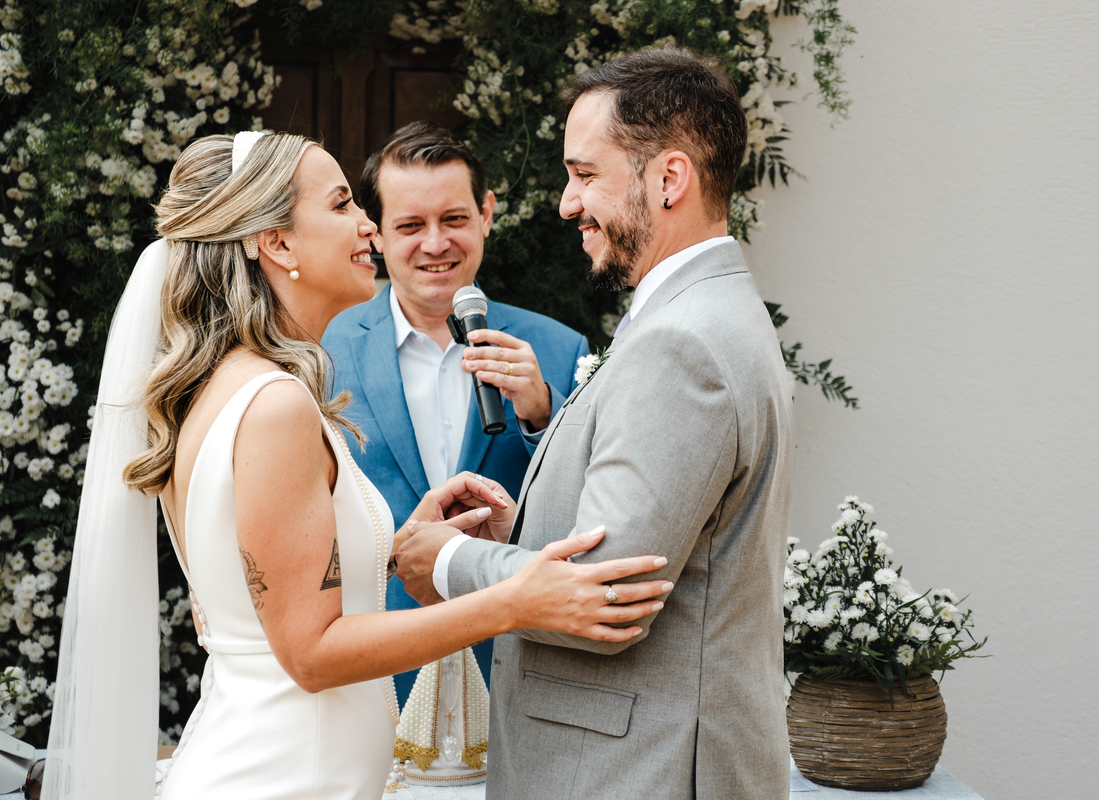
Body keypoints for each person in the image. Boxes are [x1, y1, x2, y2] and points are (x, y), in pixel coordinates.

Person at [43, 131, 674, 800]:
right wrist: (511, 600)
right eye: (342, 204)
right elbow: (311, 654)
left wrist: (399, 547)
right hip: (282, 781)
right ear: (278, 244)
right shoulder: (275, 405)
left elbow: (269, 593)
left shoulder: (234, 383)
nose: (368, 225)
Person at [396, 48, 794, 798]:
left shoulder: (683, 343)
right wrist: (527, 533)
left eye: (584, 175)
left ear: (669, 179)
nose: (566, 204)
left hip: (634, 772)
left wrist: (447, 560)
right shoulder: (704, 315)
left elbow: (603, 596)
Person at [322, 121, 589, 702]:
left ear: (486, 213)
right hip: (376, 667)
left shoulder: (561, 349)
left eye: (454, 219)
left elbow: (588, 516)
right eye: (410, 226)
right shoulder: (323, 351)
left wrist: (541, 416)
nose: (436, 243)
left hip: (515, 667)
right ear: (376, 233)